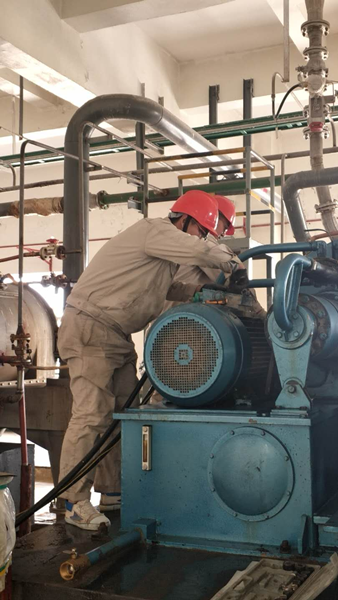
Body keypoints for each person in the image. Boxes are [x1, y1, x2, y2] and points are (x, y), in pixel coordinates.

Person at [57, 190, 247, 531]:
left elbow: (166, 290)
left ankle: (112, 491)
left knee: (123, 415)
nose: (202, 238)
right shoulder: (154, 230)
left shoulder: (163, 257)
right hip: (90, 327)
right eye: (201, 230)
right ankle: (72, 501)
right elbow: (199, 251)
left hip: (116, 335)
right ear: (184, 220)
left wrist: (203, 293)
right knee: (91, 415)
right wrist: (232, 262)